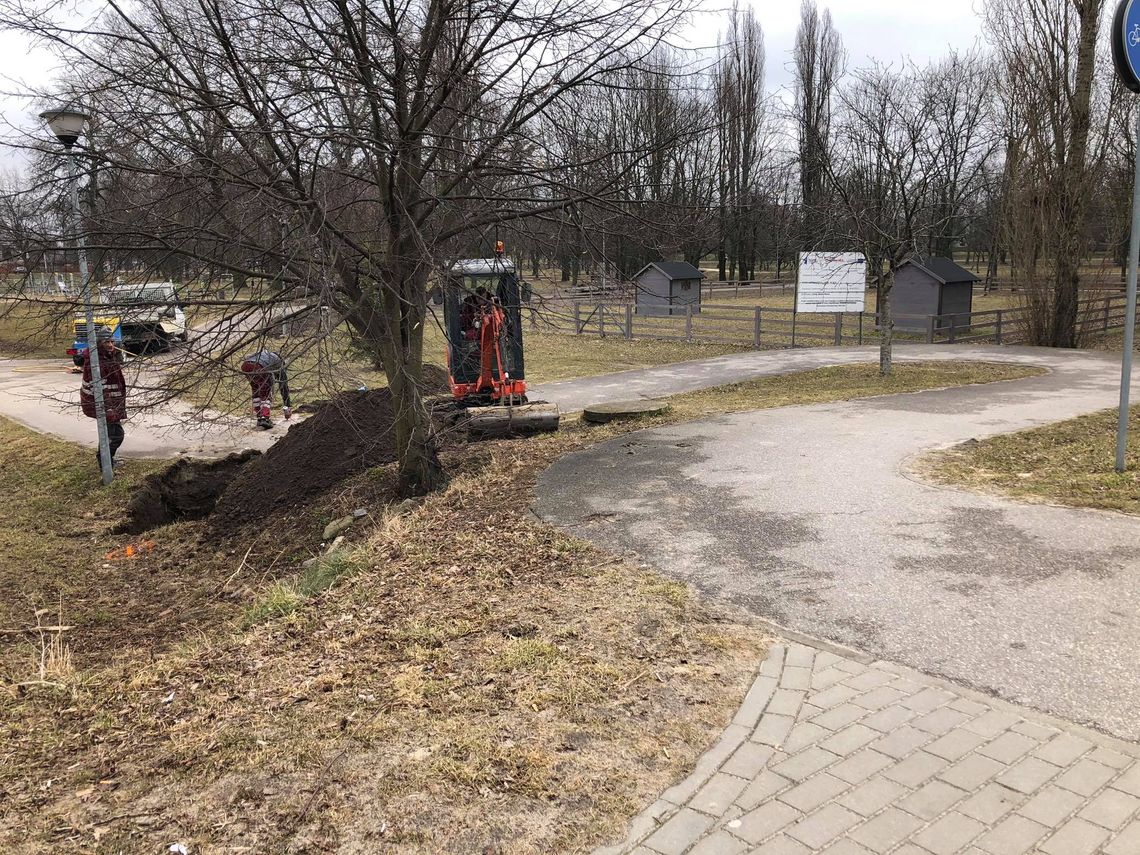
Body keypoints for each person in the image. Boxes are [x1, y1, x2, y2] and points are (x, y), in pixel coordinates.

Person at [80, 326, 127, 471]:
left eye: (112, 341)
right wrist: (110, 410)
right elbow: (101, 390)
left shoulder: (106, 356)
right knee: (116, 435)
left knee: (108, 433)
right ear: (99, 343)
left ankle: (107, 461)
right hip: (104, 405)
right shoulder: (97, 363)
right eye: (107, 342)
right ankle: (105, 463)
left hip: (111, 404)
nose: (111, 345)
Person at [240, 349, 292, 429]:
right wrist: (287, 406)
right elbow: (283, 386)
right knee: (266, 392)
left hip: (246, 365)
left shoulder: (266, 354)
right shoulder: (279, 363)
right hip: (259, 366)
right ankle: (264, 418)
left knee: (256, 390)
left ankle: (260, 417)